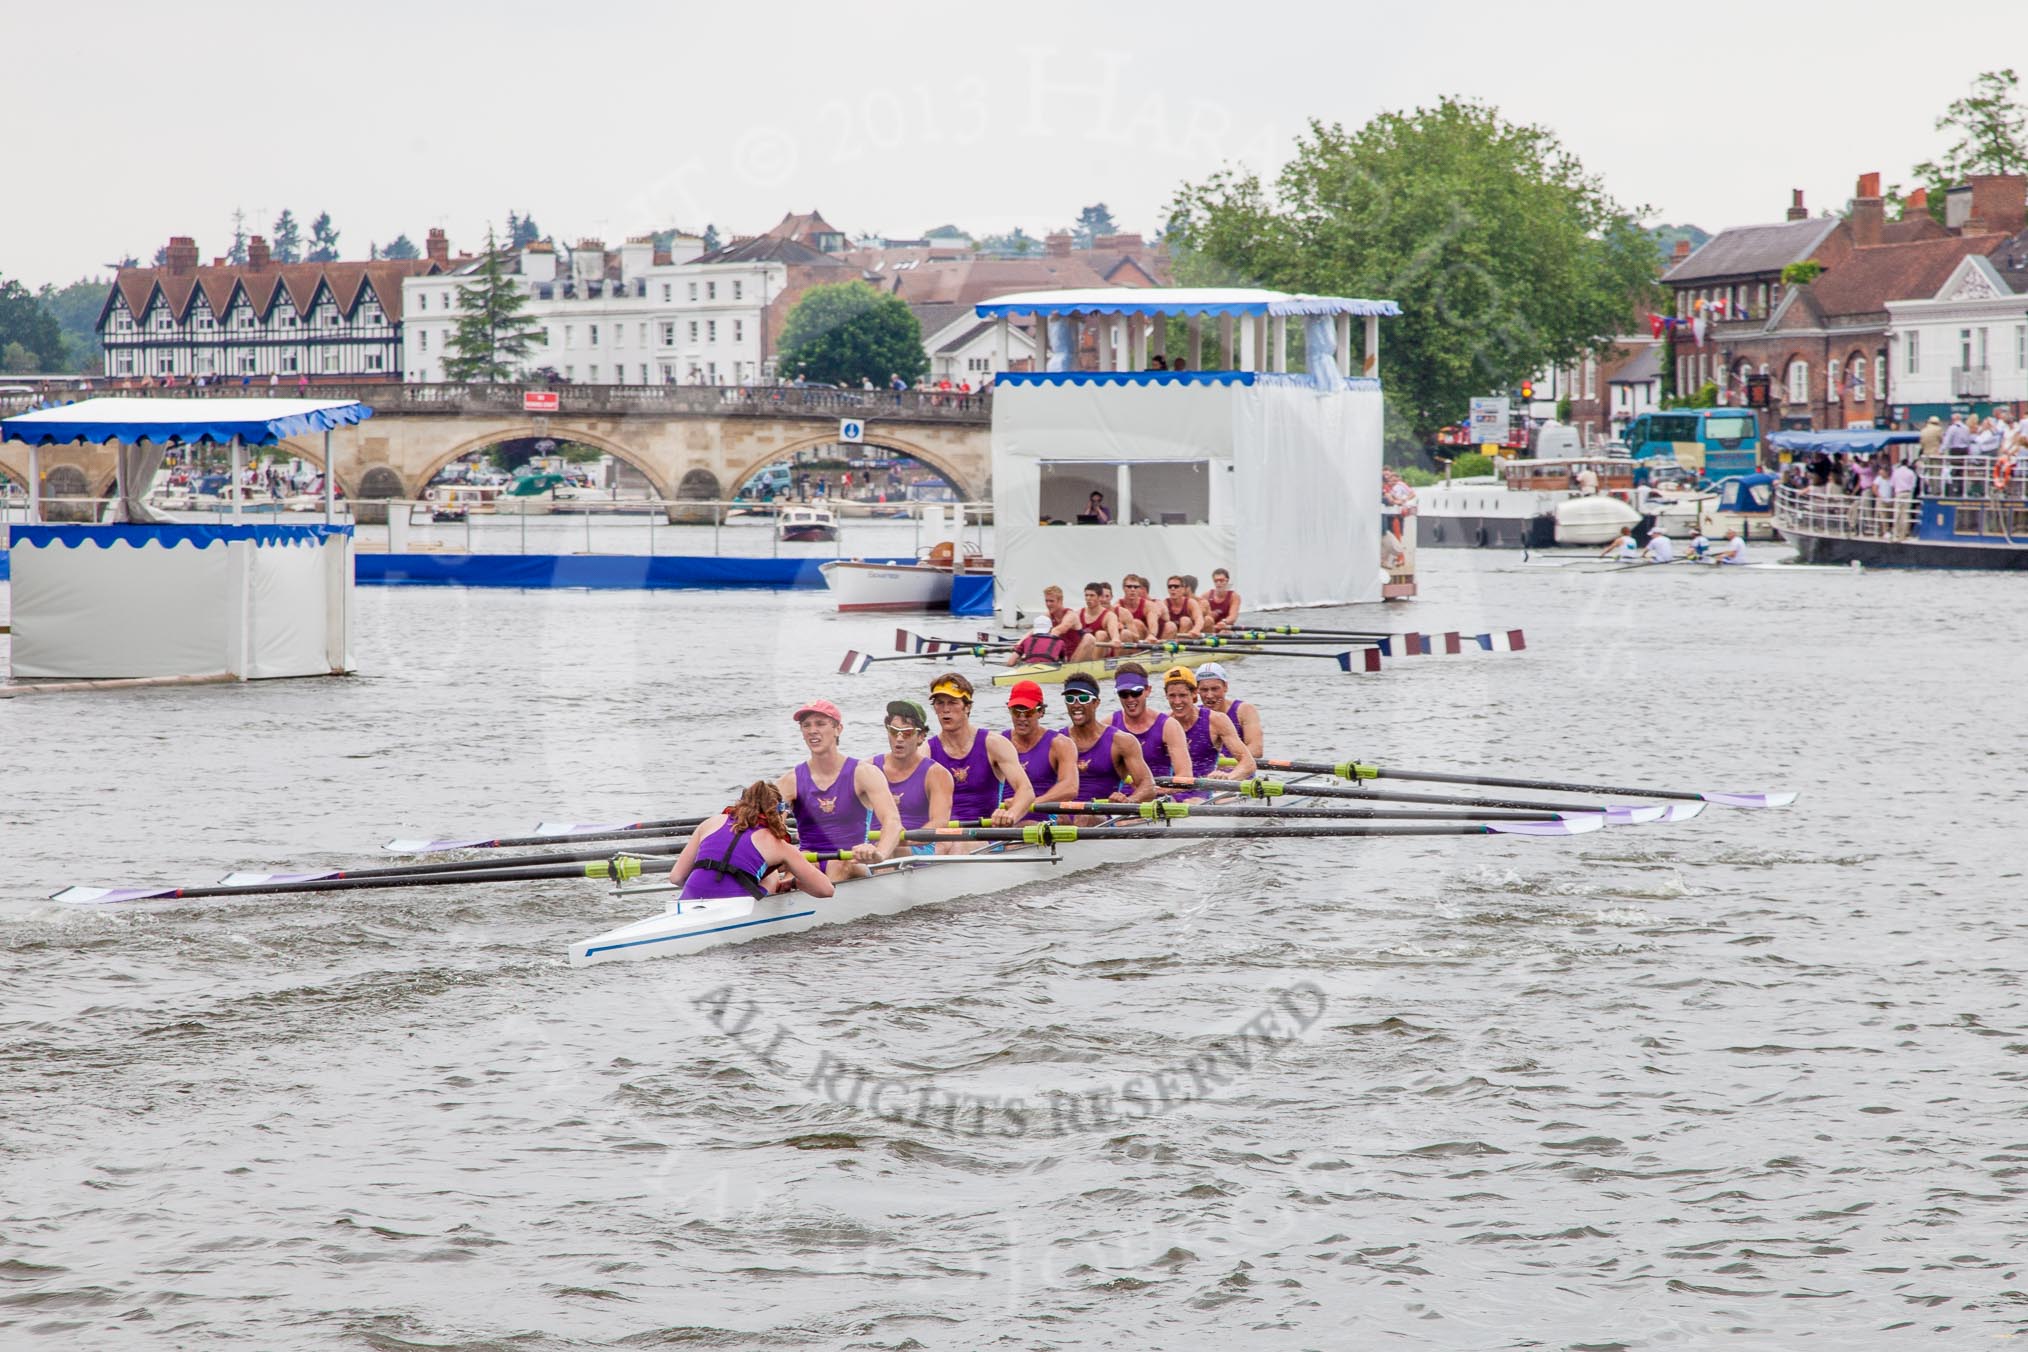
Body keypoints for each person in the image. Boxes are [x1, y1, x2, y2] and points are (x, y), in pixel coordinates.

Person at [775, 699, 903, 883]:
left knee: (838, 864)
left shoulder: (864, 773)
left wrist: (879, 853)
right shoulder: (789, 781)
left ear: (838, 729)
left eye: (820, 724)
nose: (812, 730)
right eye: (806, 725)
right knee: (799, 867)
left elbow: (892, 821)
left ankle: (821, 902)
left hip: (852, 860)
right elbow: (765, 827)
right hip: (810, 860)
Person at [665, 780, 835, 901]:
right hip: (737, 905)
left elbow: (676, 877)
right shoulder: (779, 846)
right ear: (777, 811)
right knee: (773, 873)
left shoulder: (710, 822)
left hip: (689, 899)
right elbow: (826, 890)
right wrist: (795, 882)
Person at [926, 673, 1035, 843]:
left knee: (957, 847)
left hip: (986, 837)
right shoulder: (926, 751)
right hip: (943, 837)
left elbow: (1026, 791)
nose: (945, 709)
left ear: (967, 707)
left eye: (953, 702)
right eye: (940, 703)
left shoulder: (994, 744)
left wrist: (1011, 814)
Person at [1060, 672, 1155, 822]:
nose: (1076, 705)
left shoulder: (1121, 741)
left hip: (1099, 816)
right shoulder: (1057, 741)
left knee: (1084, 818)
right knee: (1060, 819)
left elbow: (1148, 786)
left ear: (1096, 703)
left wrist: (1128, 802)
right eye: (1070, 699)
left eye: (1083, 699)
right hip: (1062, 815)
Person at [1158, 666, 1254, 798]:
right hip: (1171, 791)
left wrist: (1228, 778)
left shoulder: (1216, 721)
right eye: (1172, 696)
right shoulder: (1162, 723)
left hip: (1204, 792)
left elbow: (1248, 763)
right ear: (1166, 696)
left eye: (1182, 695)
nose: (1177, 701)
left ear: (1194, 694)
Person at [871, 700, 953, 851]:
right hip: (873, 848)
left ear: (921, 736)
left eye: (907, 732)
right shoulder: (868, 768)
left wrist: (899, 840)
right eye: (894, 731)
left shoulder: (937, 774)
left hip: (917, 847)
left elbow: (940, 822)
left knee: (895, 850)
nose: (899, 738)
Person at [1108, 662, 1191, 790]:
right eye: (1123, 693)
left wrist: (1157, 791)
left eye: (1136, 692)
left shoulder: (1168, 726)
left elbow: (1185, 777)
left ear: (1148, 690)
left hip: (1159, 797)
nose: (1130, 699)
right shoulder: (1108, 725)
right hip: (1120, 801)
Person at [1004, 679, 1078, 818]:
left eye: (1028, 712)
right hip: (1005, 819)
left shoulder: (1060, 744)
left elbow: (1070, 787)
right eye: (1015, 712)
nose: (1021, 718)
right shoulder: (999, 743)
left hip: (1042, 818)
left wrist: (1025, 805)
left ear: (1041, 712)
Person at [1193, 662, 1262, 756]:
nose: (1209, 695)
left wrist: (1227, 760)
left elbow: (1256, 749)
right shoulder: (1194, 715)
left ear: (1225, 687)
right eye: (1204, 690)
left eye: (1215, 689)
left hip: (1238, 768)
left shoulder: (1244, 710)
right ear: (1197, 690)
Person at [1115, 574, 1166, 641]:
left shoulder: (1148, 605)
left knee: (1137, 623)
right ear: (1124, 588)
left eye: (1136, 587)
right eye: (1129, 586)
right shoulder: (1117, 606)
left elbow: (1153, 622)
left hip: (1146, 639)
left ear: (1139, 589)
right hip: (1128, 638)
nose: (1132, 589)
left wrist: (1152, 635)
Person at [1201, 568, 1241, 632]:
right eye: (1216, 581)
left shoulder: (1234, 596)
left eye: (1221, 580)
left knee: (1225, 632)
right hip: (1210, 628)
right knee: (1208, 620)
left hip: (1225, 628)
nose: (1218, 583)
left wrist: (1224, 622)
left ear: (1227, 581)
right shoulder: (1206, 596)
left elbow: (1233, 616)